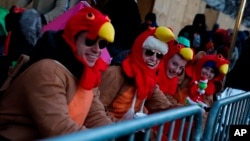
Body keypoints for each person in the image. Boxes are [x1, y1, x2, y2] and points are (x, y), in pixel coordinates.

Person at [0, 7, 115, 140]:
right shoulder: (48, 71)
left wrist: (115, 134)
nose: (97, 50)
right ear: (73, 37)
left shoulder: (88, 73)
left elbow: (96, 115)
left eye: (102, 44)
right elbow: (59, 129)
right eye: (89, 41)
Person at [98, 26, 176, 123]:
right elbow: (96, 111)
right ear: (139, 50)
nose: (154, 59)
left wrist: (192, 110)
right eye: (149, 52)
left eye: (159, 55)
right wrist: (122, 127)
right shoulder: (115, 74)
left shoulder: (150, 80)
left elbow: (165, 106)